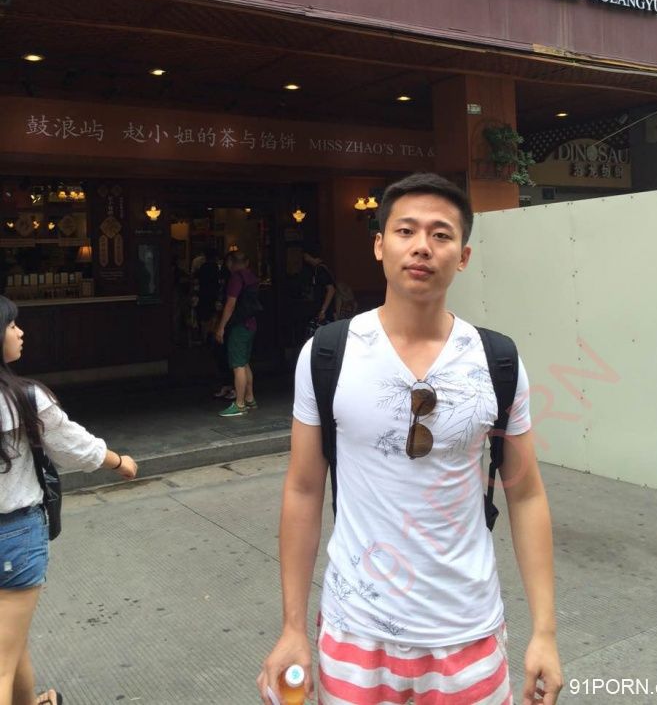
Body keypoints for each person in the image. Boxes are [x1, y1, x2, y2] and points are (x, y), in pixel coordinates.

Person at [258, 173, 562, 705]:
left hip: (467, 635)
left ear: (463, 256)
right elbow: (303, 489)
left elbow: (526, 494)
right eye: (406, 230)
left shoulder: (497, 361)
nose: (423, 246)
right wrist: (291, 628)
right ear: (379, 245)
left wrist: (545, 632)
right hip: (355, 633)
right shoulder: (328, 354)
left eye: (441, 234)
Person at [0, 295, 138, 705]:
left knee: (12, 642)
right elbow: (74, 446)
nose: (20, 332)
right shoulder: (23, 398)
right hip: (15, 537)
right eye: (11, 325)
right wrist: (120, 462)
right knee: (2, 660)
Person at [216, 251, 260, 417]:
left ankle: (240, 404)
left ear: (230, 263)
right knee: (245, 362)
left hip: (239, 325)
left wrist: (221, 326)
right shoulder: (252, 277)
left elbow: (230, 304)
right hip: (251, 324)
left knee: (238, 365)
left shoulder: (236, 278)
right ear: (247, 262)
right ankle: (250, 398)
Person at [300, 247, 336, 334]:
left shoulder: (320, 270)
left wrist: (323, 311)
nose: (304, 258)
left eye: (305, 256)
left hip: (325, 313)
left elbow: (331, 290)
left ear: (310, 255)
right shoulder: (318, 269)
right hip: (323, 312)